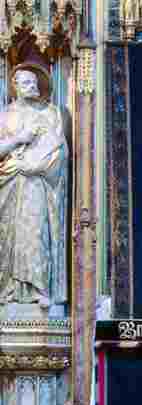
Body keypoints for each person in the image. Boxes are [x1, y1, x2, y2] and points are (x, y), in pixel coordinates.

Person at [0, 62, 68, 307]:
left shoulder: (50, 113)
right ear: (15, 86)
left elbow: (60, 151)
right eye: (26, 82)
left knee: (35, 232)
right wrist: (19, 138)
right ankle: (8, 289)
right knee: (9, 235)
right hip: (8, 183)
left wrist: (35, 166)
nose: (33, 86)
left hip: (36, 182)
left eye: (34, 82)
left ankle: (39, 287)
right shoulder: (5, 115)